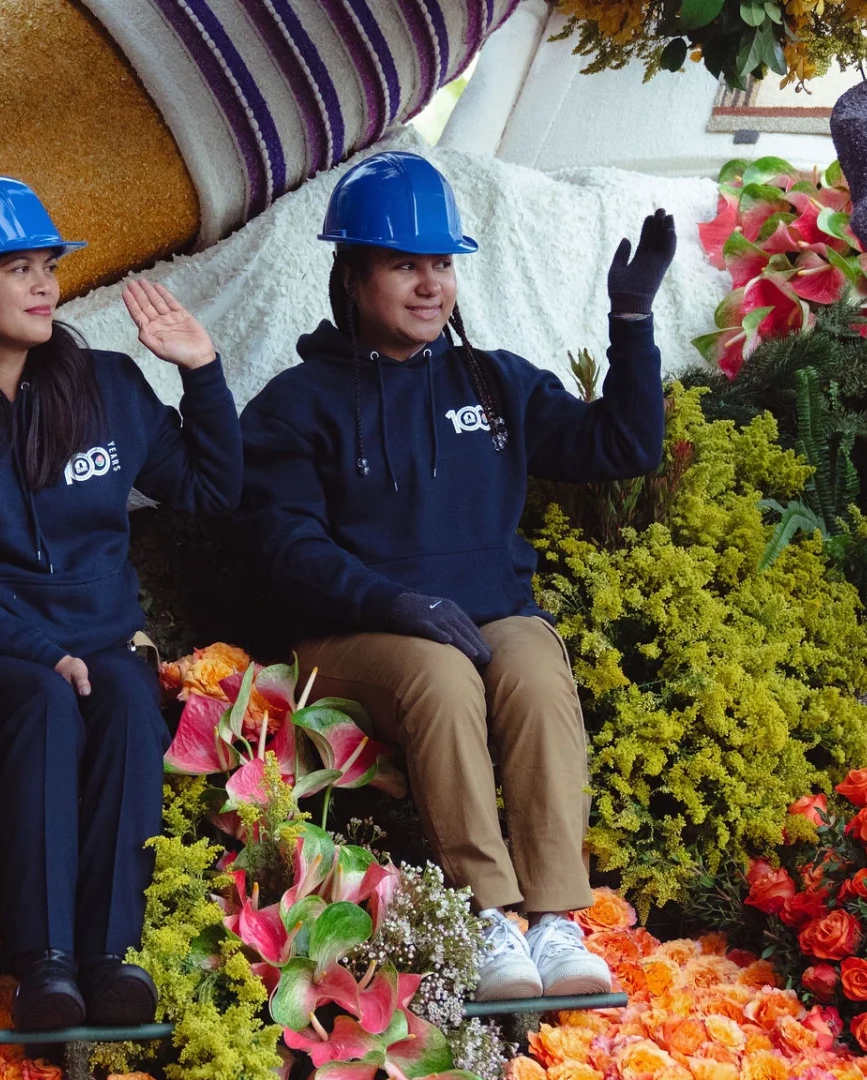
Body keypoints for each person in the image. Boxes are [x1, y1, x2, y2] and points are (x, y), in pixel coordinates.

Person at [237, 151, 673, 1002]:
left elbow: (623, 447)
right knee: (440, 672)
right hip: (354, 629)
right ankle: (487, 915)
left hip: (483, 610)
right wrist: (396, 601)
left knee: (536, 667)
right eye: (405, 265)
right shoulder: (295, 404)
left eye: (443, 264)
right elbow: (287, 550)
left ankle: (554, 917)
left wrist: (631, 319)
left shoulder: (493, 380)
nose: (431, 284)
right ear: (353, 275)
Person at [0, 176, 242, 1030]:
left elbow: (212, 490)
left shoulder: (106, 388)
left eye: (48, 266)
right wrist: (38, 649)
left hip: (91, 645)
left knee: (127, 696)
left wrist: (203, 372)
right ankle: (46, 968)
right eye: (17, 269)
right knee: (44, 696)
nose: (44, 285)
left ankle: (112, 960)